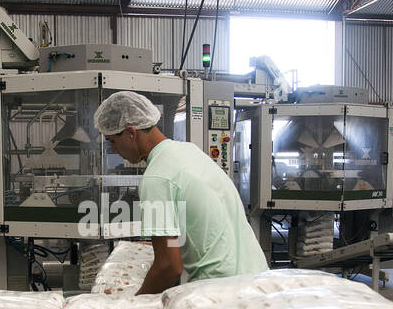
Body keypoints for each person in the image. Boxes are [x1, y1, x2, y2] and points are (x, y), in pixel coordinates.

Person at [95, 90, 267, 295]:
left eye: (113, 141)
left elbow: (168, 267)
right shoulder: (189, 151)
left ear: (131, 132)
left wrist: (132, 304)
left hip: (220, 293)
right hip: (257, 280)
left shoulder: (157, 177)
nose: (114, 149)